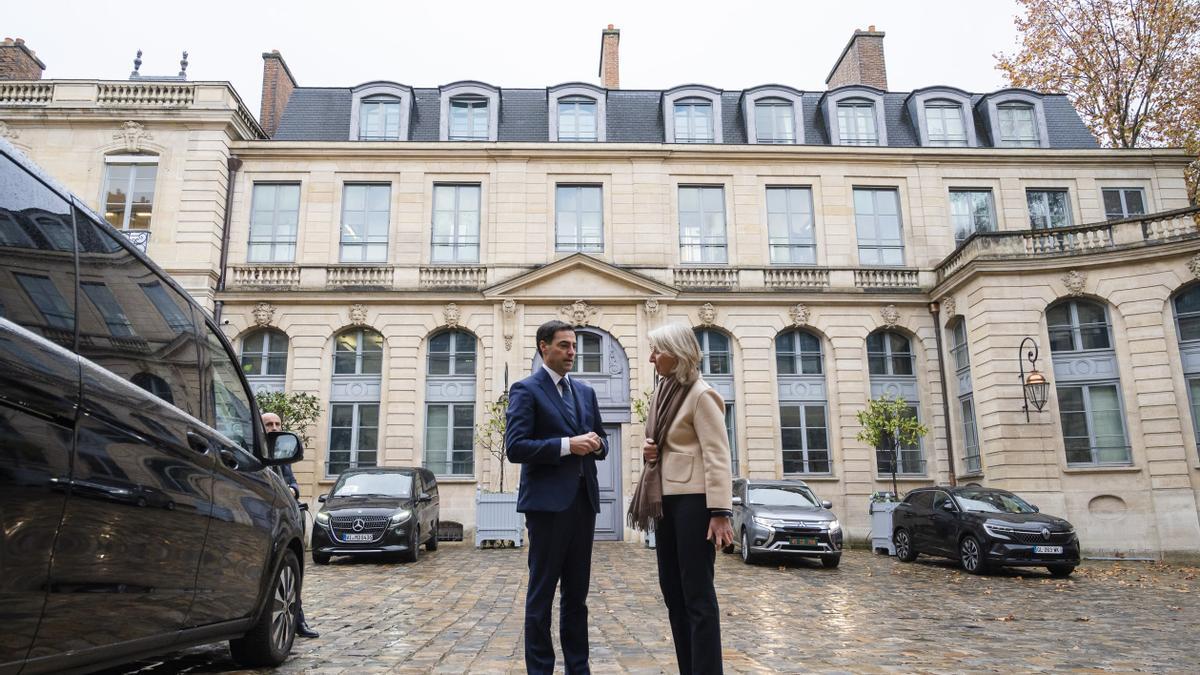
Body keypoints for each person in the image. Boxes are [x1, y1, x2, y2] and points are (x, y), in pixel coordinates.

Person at [629, 323, 734, 675]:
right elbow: (664, 442)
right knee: (673, 592)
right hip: (666, 501)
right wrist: (650, 449)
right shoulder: (663, 391)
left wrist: (720, 512)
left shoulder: (701, 395)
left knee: (697, 596)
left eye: (657, 351)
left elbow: (718, 455)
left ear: (676, 352)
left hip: (695, 503)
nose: (651, 358)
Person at [505, 320, 608, 675]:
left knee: (577, 598)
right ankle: (540, 670)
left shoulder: (585, 392)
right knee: (542, 595)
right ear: (543, 347)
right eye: (564, 346)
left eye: (574, 346)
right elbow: (515, 448)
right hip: (547, 508)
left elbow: (603, 441)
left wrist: (596, 444)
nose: (571, 353)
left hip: (584, 504)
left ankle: (578, 669)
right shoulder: (526, 390)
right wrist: (567, 445)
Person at [261, 412, 320, 639]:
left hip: (282, 517)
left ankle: (298, 620)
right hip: (264, 518)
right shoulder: (255, 450)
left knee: (288, 570)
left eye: (277, 424)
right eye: (269, 424)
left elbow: (293, 483)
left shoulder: (281, 454)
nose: (274, 428)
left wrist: (292, 490)